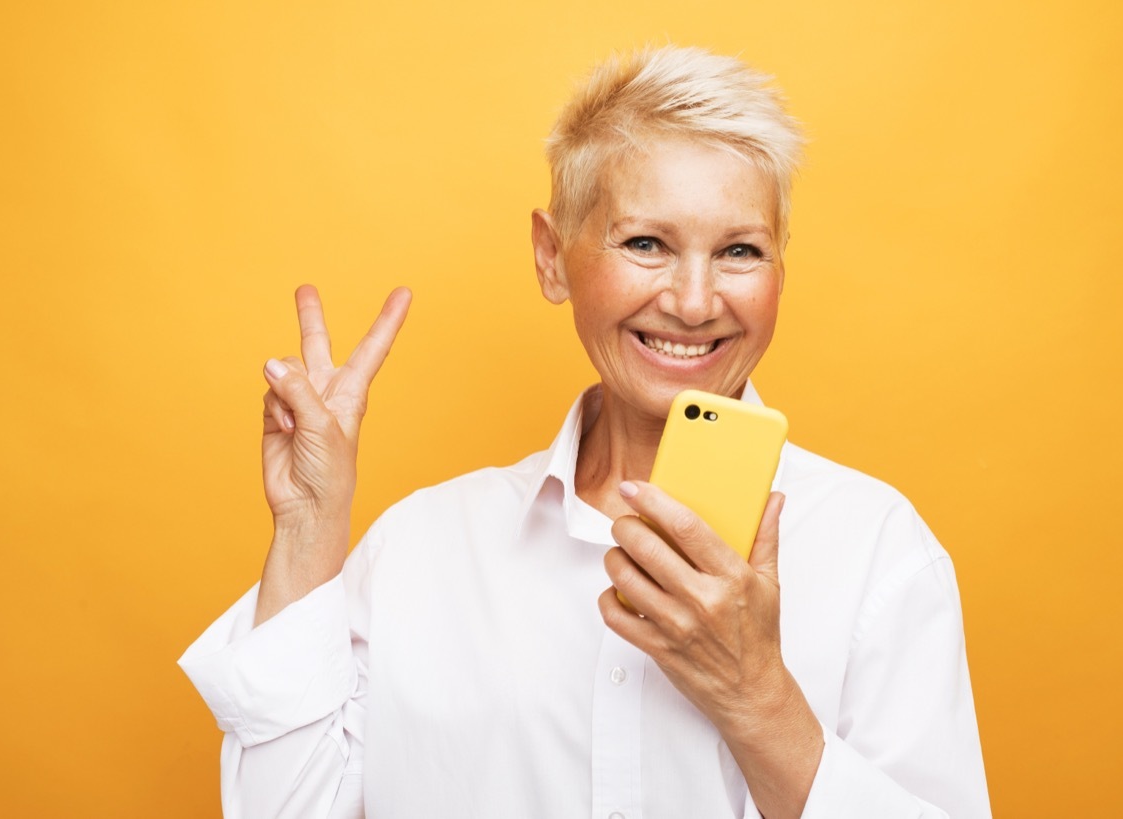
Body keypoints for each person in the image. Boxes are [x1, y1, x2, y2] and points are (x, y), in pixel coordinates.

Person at [179, 45, 990, 818]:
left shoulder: (877, 549)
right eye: (646, 243)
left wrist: (757, 697)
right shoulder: (420, 549)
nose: (696, 300)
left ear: (781, 269)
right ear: (552, 257)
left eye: (740, 250)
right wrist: (308, 529)